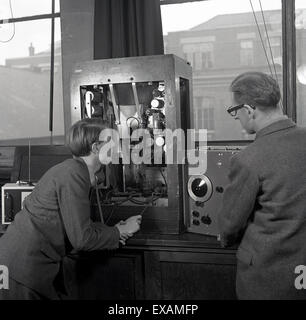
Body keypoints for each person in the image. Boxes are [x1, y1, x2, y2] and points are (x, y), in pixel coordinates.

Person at [0, 118, 142, 300]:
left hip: (20, 267)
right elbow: (82, 238)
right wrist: (118, 231)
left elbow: (76, 225)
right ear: (97, 148)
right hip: (21, 271)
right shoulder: (74, 174)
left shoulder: (74, 170)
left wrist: (114, 230)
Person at [218, 71, 306, 300]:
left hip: (266, 279)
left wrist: (225, 237)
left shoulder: (248, 158)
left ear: (248, 110)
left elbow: (229, 224)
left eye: (234, 111)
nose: (236, 117)